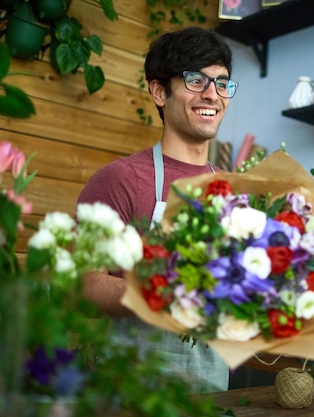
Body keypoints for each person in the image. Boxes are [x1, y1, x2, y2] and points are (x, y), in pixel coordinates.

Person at [76, 26, 238, 393]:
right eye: (196, 80)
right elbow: (83, 287)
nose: (212, 94)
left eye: (222, 83)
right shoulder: (119, 180)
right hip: (129, 389)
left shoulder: (235, 191)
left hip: (210, 389)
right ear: (159, 91)